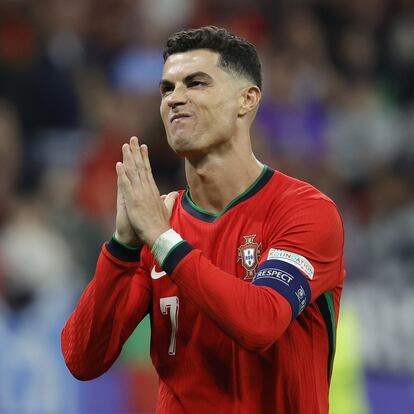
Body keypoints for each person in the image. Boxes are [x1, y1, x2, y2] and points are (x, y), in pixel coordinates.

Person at [61, 26, 345, 413]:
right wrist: (122, 247)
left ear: (247, 100)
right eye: (167, 89)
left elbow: (261, 322)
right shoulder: (156, 221)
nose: (175, 99)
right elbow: (82, 359)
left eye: (196, 83)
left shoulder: (304, 211)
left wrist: (163, 239)